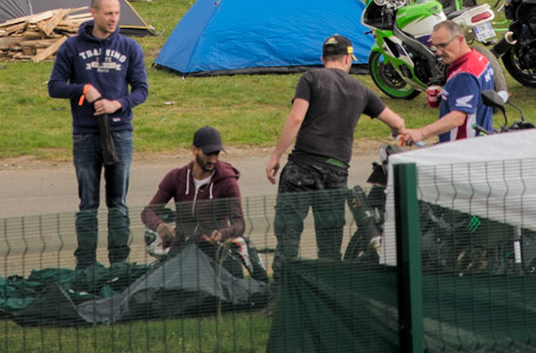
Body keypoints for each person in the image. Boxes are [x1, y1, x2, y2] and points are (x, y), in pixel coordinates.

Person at [267, 34, 406, 262]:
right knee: (330, 246)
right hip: (335, 172)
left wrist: (276, 155)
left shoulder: (311, 78)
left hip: (301, 167)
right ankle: (329, 283)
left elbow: (296, 118)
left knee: (288, 239)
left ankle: (284, 282)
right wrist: (395, 132)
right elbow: (398, 123)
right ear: (348, 59)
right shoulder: (361, 91)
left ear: (323, 58)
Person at [47, 0, 149, 269]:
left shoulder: (130, 48)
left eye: (116, 13)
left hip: (120, 133)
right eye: (108, 13)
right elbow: (54, 86)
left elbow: (142, 90)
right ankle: (86, 266)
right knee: (88, 203)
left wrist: (118, 104)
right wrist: (84, 90)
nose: (113, 19)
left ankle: (119, 265)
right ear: (93, 13)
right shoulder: (71, 47)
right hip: (85, 134)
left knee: (118, 203)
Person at [142, 126, 244, 252]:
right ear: (194, 150)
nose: (213, 160)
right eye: (208, 154)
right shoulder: (175, 177)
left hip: (214, 250)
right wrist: (159, 225)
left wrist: (222, 234)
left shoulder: (228, 182)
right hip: (181, 248)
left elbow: (239, 224)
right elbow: (148, 212)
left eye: (216, 153)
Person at [399, 21, 496, 145]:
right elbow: (474, 94)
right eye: (436, 47)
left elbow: (457, 118)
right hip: (482, 139)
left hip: (462, 146)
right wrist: (447, 94)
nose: (439, 52)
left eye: (443, 45)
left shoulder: (464, 74)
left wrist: (421, 133)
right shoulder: (479, 59)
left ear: (460, 39)